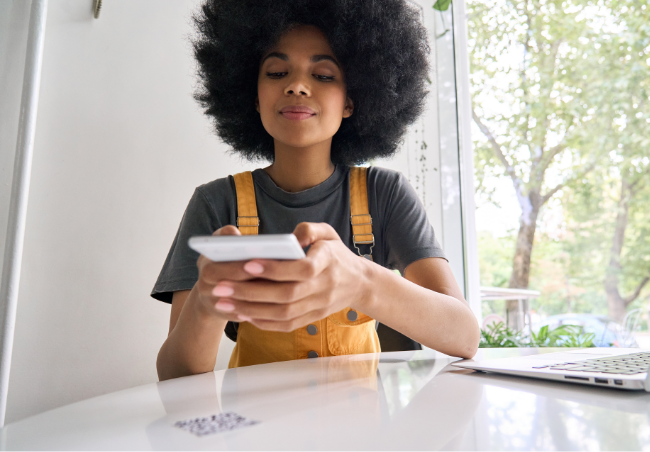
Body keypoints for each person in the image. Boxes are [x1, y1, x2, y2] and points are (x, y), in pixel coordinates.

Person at [153, 0, 480, 381]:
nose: (296, 85)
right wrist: (206, 304)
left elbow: (464, 336)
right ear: (253, 96)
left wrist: (363, 281)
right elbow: (175, 376)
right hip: (258, 436)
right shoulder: (216, 203)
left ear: (351, 102)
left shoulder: (385, 194)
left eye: (323, 75)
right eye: (276, 72)